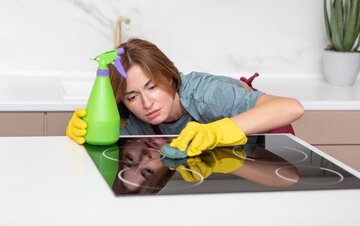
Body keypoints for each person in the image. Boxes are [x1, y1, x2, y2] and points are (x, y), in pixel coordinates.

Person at [67, 38, 304, 157]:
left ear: (169, 78)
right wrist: (88, 135)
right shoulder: (129, 119)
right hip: (222, 163)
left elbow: (291, 107)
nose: (147, 103)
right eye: (132, 96)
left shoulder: (205, 94)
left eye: (152, 87)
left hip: (264, 150)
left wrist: (215, 132)